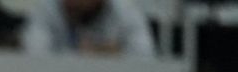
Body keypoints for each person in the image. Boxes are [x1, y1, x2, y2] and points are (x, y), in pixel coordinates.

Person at [22, 0, 155, 57]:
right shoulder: (48, 8)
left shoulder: (126, 10)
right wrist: (83, 55)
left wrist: (115, 55)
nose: (72, 3)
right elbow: (34, 56)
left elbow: (145, 59)